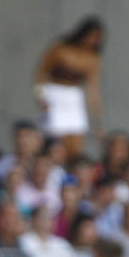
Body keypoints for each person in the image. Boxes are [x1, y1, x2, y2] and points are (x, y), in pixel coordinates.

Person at [33, 16, 104, 158]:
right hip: (54, 92)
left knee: (76, 144)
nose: (92, 41)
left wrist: (97, 120)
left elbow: (93, 89)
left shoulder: (92, 58)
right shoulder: (60, 49)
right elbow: (41, 73)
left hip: (74, 97)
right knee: (56, 142)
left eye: (96, 38)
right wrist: (41, 97)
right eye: (90, 36)